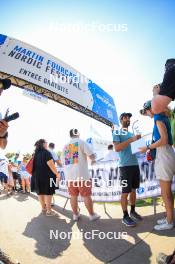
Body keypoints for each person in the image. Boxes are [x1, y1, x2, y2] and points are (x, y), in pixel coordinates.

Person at [139, 100, 175, 230]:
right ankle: (169, 218)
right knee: (167, 192)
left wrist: (147, 147)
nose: (147, 113)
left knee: (165, 193)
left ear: (152, 109)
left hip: (163, 154)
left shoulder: (158, 118)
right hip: (166, 153)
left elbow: (164, 139)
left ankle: (170, 222)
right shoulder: (162, 116)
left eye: (147, 110)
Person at [62, 128, 100, 221]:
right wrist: (94, 158)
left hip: (69, 177)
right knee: (86, 196)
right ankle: (92, 215)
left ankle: (75, 215)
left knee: (73, 196)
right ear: (77, 133)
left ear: (70, 135)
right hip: (82, 175)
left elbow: (63, 161)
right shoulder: (81, 142)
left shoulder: (65, 146)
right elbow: (91, 155)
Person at [113, 113, 142, 227]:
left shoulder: (131, 133)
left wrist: (140, 142)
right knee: (125, 192)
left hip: (135, 165)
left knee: (134, 190)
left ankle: (133, 211)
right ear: (121, 120)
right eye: (125, 117)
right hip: (124, 167)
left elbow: (139, 150)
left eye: (129, 117)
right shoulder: (117, 132)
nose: (128, 119)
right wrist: (131, 140)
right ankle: (125, 216)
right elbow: (117, 148)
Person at [32, 139, 60, 216]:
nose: (47, 144)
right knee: (49, 193)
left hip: (37, 176)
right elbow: (51, 164)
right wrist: (57, 174)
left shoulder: (36, 154)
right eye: (46, 142)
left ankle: (43, 208)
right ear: (43, 144)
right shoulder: (46, 152)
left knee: (40, 193)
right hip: (48, 176)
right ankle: (49, 211)